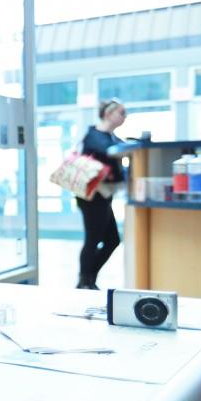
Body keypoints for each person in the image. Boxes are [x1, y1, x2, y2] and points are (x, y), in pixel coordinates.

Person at [75, 98, 126, 290]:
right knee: (93, 239)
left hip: (103, 196)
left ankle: (88, 278)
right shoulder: (94, 134)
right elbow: (107, 150)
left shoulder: (112, 138)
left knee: (112, 240)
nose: (124, 117)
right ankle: (84, 281)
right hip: (90, 195)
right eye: (121, 112)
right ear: (108, 114)